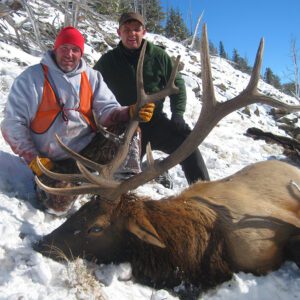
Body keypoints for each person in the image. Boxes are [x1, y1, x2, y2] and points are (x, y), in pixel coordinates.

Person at [1, 26, 155, 215]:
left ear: (81, 53)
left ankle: (122, 184)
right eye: (64, 48)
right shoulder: (31, 79)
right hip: (51, 162)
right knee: (58, 204)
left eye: (75, 50)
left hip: (87, 151)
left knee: (129, 127)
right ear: (55, 49)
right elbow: (12, 124)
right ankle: (79, 188)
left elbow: (108, 110)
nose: (69, 54)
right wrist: (34, 160)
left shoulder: (91, 77)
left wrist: (128, 112)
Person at [94, 12, 210, 186]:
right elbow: (92, 88)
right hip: (125, 127)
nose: (132, 33)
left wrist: (177, 114)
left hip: (155, 122)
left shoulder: (158, 56)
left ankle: (205, 193)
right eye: (126, 30)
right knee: (121, 180)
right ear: (119, 33)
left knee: (188, 148)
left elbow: (177, 84)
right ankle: (146, 172)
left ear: (144, 32)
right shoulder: (108, 61)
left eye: (136, 29)